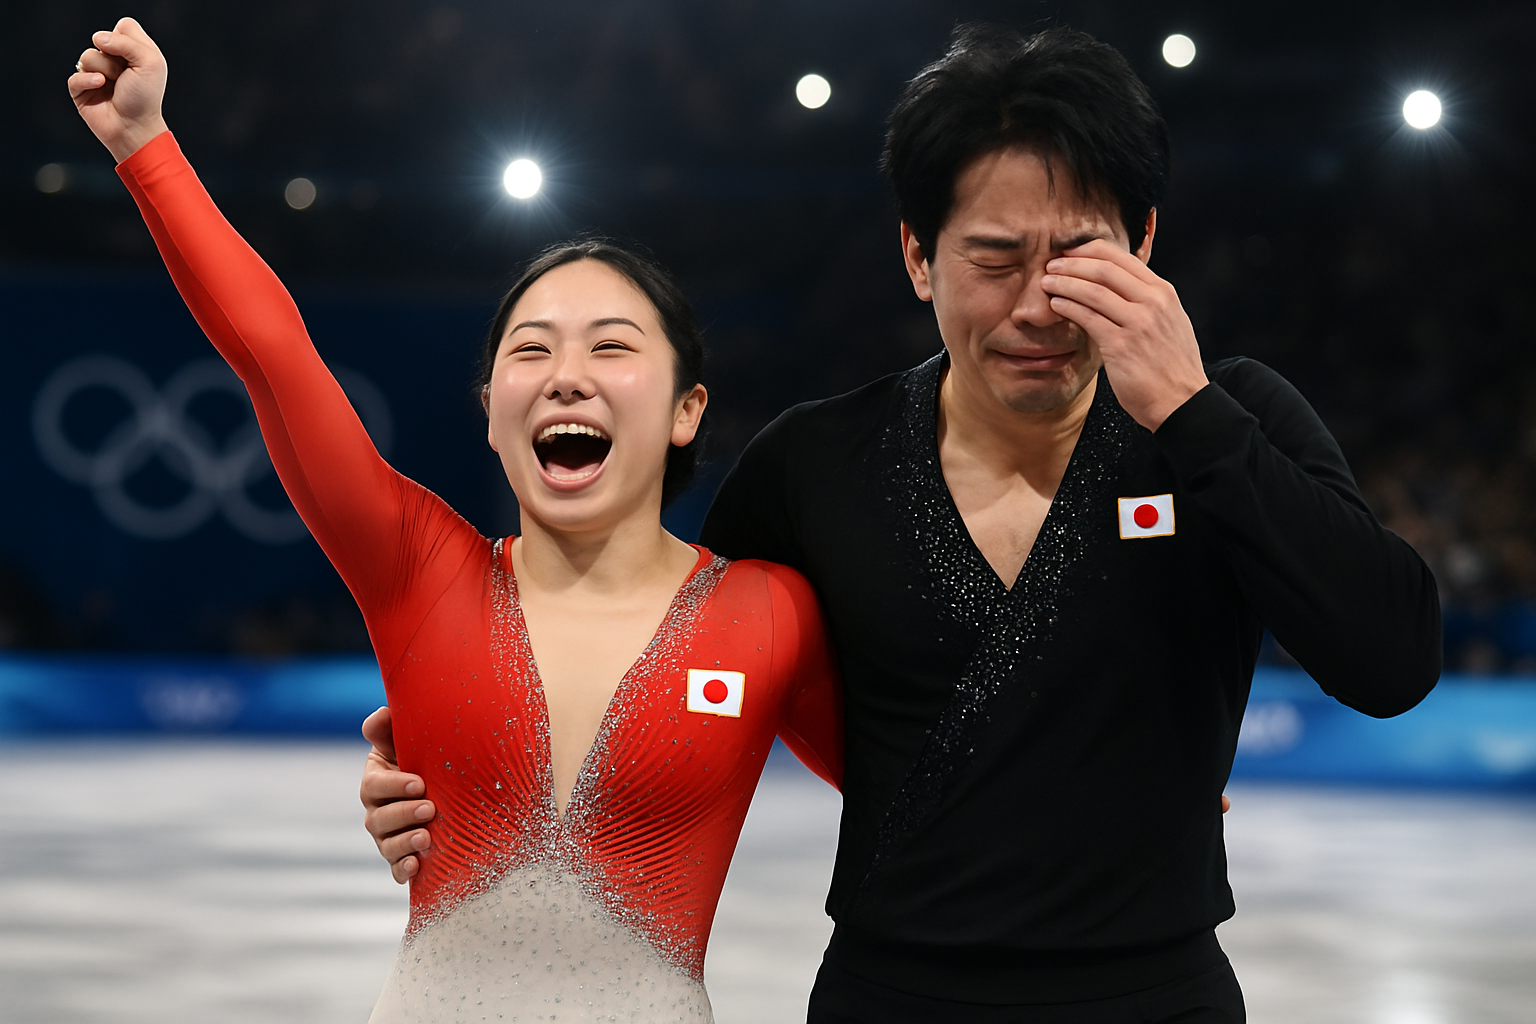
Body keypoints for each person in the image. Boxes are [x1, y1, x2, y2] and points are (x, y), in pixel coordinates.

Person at [357, 22, 1442, 1023]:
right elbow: (657, 625)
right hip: (894, 994)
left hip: (1158, 993)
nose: (1037, 305)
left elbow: (1391, 659)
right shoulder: (817, 462)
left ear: (1145, 241)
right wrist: (456, 756)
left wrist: (1191, 415)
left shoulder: (1230, 416)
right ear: (919, 256)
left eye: (1078, 255)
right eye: (994, 258)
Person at [68, 18, 843, 1024]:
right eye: (532, 350)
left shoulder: (772, 612)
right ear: (489, 410)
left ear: (689, 408)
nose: (566, 374)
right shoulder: (419, 568)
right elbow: (274, 356)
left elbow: (931, 793)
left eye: (612, 347)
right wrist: (146, 147)